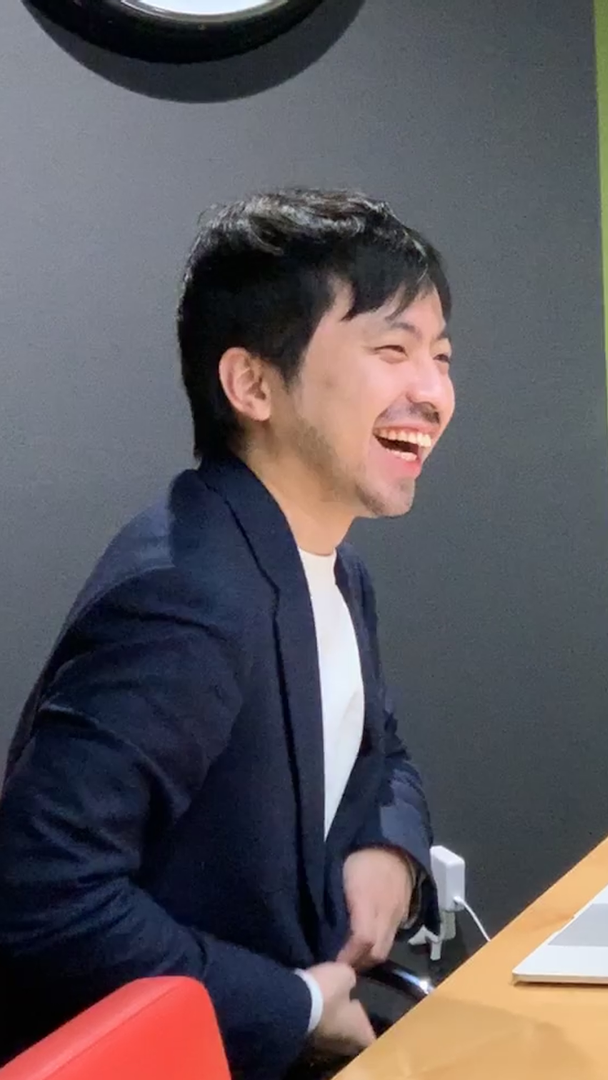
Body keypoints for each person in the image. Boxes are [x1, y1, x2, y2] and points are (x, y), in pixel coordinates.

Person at [0, 189, 455, 1080]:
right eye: (393, 350)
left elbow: (379, 746)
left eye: (440, 357)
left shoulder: (330, 563)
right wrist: (294, 1005)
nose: (433, 393)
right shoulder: (189, 593)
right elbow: (43, 896)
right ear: (252, 384)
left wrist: (390, 845)